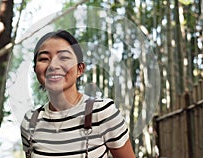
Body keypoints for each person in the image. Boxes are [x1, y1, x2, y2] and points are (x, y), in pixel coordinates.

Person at [20, 30, 136, 158]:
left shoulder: (102, 112)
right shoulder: (30, 121)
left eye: (63, 57)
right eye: (44, 59)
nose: (53, 65)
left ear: (80, 69)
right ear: (35, 69)